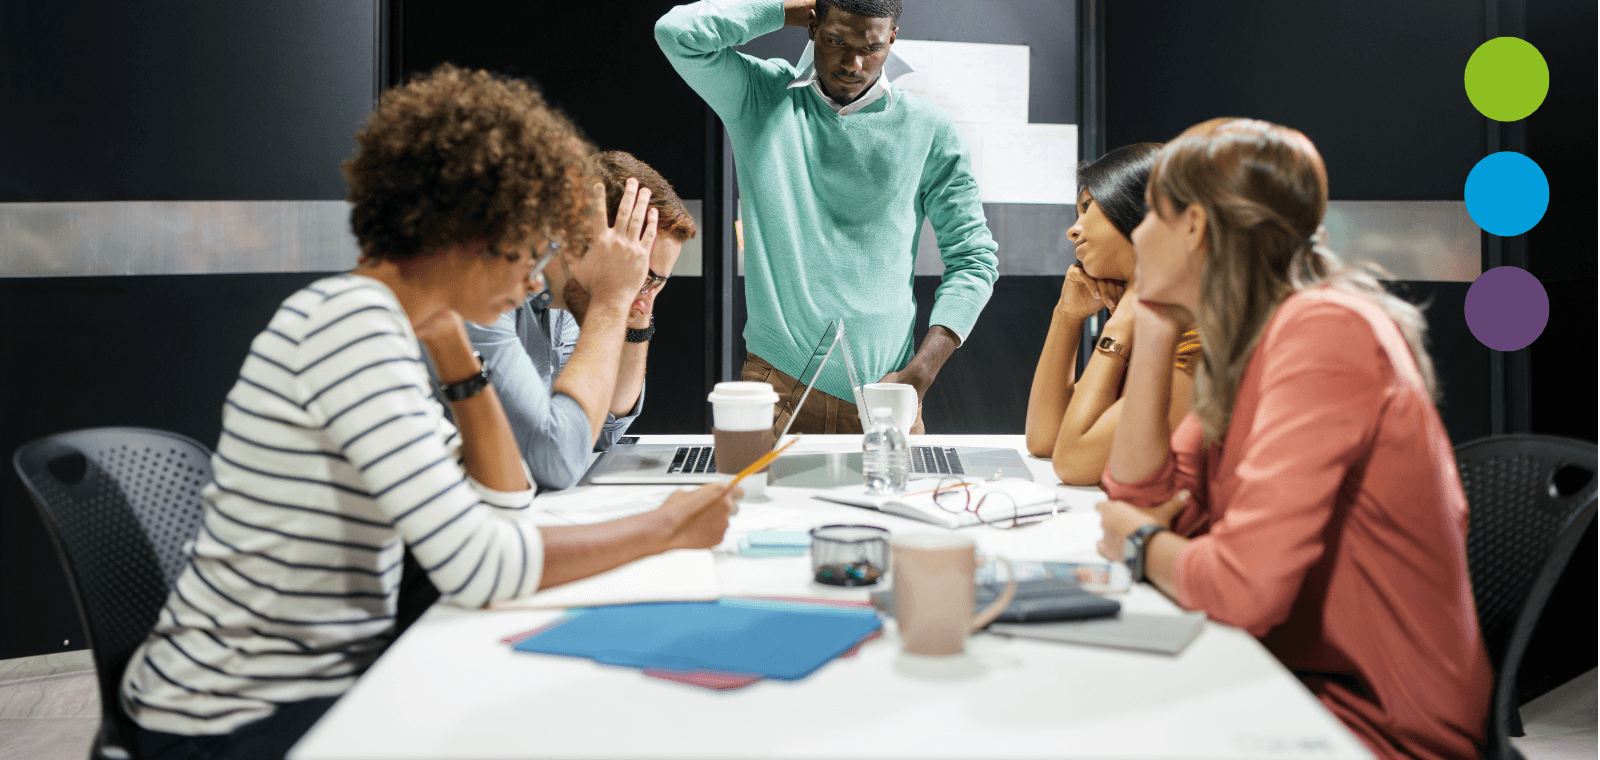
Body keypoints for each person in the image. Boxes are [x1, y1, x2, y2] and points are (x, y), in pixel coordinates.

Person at [118, 65, 738, 760]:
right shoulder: (348, 329)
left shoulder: (393, 325)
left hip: (318, 685)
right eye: (527, 245)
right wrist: (665, 526)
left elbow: (504, 506)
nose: (537, 278)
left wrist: (456, 361)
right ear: (464, 231)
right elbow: (481, 566)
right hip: (232, 721)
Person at [1093, 118, 1491, 760]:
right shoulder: (1254, 338)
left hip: (1372, 725)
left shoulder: (1323, 334)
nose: (1136, 235)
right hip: (1283, 680)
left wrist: (1140, 543)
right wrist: (1156, 323)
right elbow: (1142, 492)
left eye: (1149, 216)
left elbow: (1237, 588)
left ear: (1193, 226)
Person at [657, 0, 999, 434]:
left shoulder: (929, 128)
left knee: (898, 506)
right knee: (755, 504)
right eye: (837, 40)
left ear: (893, 38)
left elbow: (974, 260)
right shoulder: (760, 97)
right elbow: (677, 33)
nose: (853, 63)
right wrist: (784, 9)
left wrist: (921, 373)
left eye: (872, 47)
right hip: (778, 388)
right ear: (813, 26)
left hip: (888, 394)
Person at [461, 150, 695, 490]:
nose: (642, 296)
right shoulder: (487, 297)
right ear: (584, 237)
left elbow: (602, 431)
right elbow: (554, 460)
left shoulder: (569, 302)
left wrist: (638, 312)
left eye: (657, 282)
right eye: (640, 275)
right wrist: (612, 297)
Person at [1024, 143, 1201, 485]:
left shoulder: (1198, 338)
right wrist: (1067, 314)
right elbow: (1044, 440)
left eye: (1087, 207)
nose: (1073, 230)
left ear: (1141, 212)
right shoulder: (1154, 323)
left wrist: (1122, 319)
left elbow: (1073, 463)